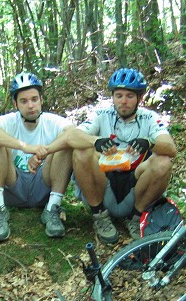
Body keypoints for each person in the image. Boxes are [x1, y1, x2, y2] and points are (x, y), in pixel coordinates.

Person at [47, 68, 176, 244]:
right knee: (82, 151)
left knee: (163, 161)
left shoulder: (149, 117)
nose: (123, 101)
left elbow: (170, 148)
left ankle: (136, 217)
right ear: (113, 97)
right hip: (103, 183)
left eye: (130, 96)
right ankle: (99, 215)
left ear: (140, 98)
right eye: (119, 95)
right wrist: (95, 141)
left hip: (135, 185)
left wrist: (150, 143)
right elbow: (72, 137)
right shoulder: (102, 114)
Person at [0, 72, 73, 242]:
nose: (30, 105)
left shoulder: (52, 121)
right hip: (14, 187)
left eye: (34, 99)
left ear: (41, 100)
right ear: (15, 104)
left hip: (44, 186)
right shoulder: (10, 121)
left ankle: (53, 207)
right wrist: (26, 147)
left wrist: (45, 151)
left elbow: (74, 133)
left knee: (66, 143)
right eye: (24, 101)